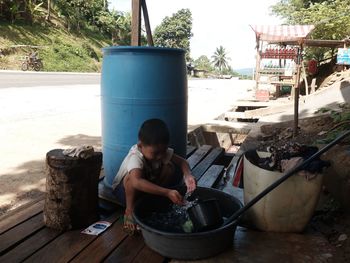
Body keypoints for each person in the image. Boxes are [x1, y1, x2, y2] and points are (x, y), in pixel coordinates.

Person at [112, 118, 196, 234]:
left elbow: (183, 162)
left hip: (146, 187)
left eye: (163, 151)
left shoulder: (160, 151)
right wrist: (167, 192)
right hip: (124, 193)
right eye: (155, 153)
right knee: (131, 180)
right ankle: (129, 210)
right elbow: (136, 182)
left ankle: (154, 199)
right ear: (140, 146)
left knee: (169, 167)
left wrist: (187, 176)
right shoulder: (135, 156)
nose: (160, 156)